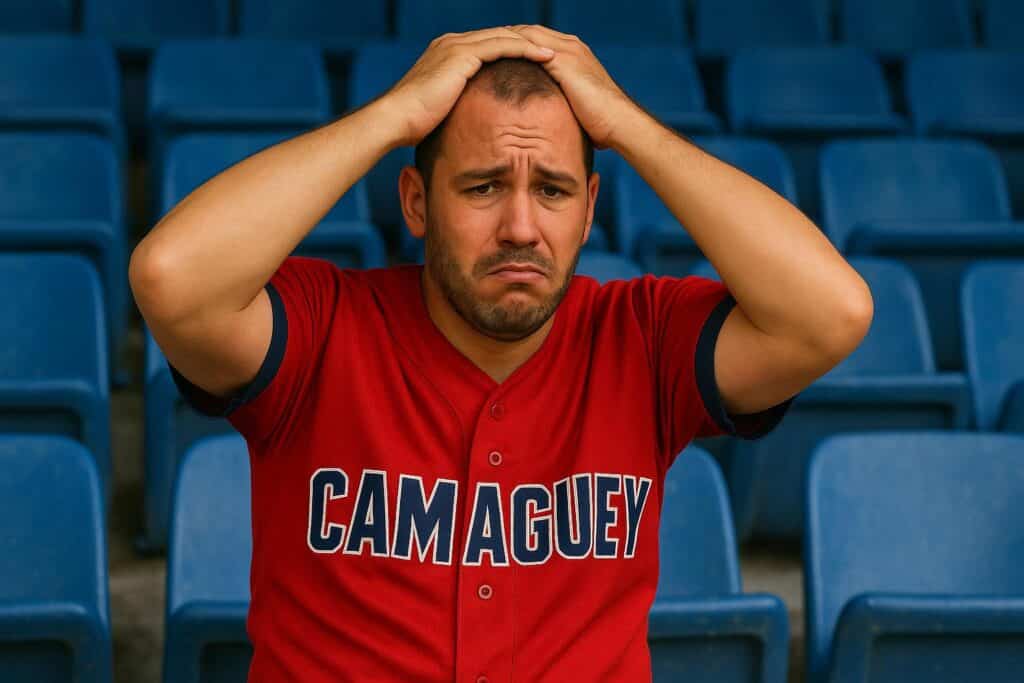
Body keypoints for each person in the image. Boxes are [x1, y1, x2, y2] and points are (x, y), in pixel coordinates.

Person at [130, 25, 873, 682]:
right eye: (483, 187)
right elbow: (171, 278)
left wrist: (627, 126)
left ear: (590, 209)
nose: (520, 226)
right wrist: (393, 116)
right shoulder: (323, 328)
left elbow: (830, 313)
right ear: (417, 203)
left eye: (553, 191)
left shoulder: (641, 337)